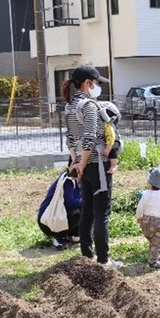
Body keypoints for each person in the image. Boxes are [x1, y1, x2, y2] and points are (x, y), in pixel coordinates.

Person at [64, 65, 123, 269]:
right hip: (97, 165)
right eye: (97, 83)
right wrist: (84, 160)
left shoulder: (70, 106)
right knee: (101, 213)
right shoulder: (89, 106)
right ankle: (104, 260)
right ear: (88, 83)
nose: (98, 87)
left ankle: (87, 254)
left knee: (87, 210)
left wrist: (76, 161)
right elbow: (89, 137)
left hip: (82, 166)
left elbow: (71, 138)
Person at [37, 171, 82, 250]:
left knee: (85, 208)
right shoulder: (69, 178)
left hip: (59, 218)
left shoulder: (79, 179)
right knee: (81, 210)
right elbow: (70, 203)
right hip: (48, 223)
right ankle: (58, 236)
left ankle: (74, 234)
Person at [98, 101, 122, 174]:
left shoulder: (108, 125)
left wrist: (108, 149)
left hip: (113, 141)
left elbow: (111, 137)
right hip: (107, 141)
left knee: (113, 149)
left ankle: (113, 166)